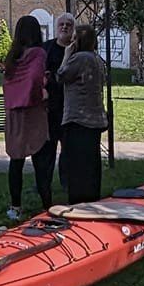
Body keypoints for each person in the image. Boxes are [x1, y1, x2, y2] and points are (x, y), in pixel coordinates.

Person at [0, 15, 53, 218]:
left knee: (16, 161)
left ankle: (15, 206)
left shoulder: (13, 56)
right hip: (33, 113)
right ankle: (47, 206)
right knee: (41, 162)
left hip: (14, 114)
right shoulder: (38, 54)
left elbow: (8, 84)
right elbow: (35, 78)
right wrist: (42, 92)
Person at [56, 24, 109, 202]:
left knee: (77, 167)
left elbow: (61, 76)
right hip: (95, 120)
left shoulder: (78, 58)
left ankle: (79, 202)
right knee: (91, 165)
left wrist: (66, 55)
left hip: (78, 119)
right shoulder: (97, 60)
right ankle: (92, 199)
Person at [44, 11, 73, 184]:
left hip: (70, 106)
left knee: (68, 148)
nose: (64, 27)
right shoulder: (46, 48)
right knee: (48, 148)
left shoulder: (77, 50)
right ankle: (44, 181)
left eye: (68, 25)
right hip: (50, 106)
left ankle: (66, 181)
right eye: (61, 24)